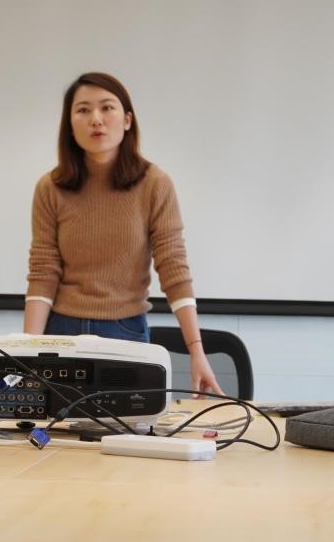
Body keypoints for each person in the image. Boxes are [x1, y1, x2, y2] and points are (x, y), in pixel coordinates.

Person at [23, 72, 223, 395]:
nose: (96, 119)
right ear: (70, 125)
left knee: (127, 423)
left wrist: (196, 352)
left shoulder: (155, 184)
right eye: (83, 110)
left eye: (107, 108)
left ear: (127, 120)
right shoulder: (50, 187)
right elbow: (43, 270)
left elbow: (173, 266)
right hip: (60, 331)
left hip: (125, 332)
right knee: (57, 422)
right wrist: (27, 352)